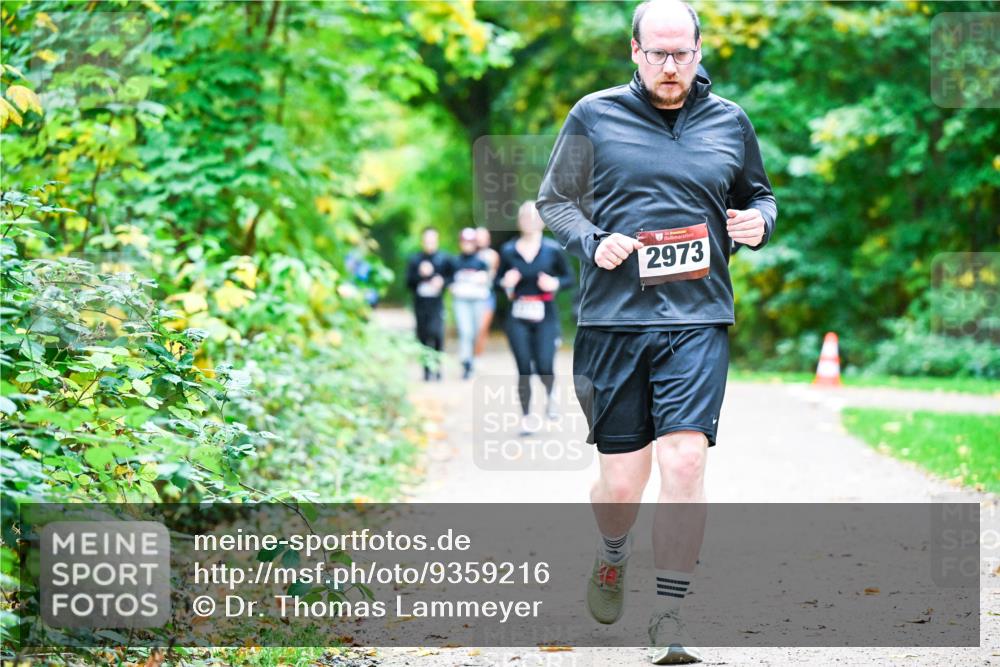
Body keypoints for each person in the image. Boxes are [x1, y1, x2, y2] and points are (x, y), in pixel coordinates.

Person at [535, 1, 777, 663]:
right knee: (621, 486)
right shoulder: (594, 115)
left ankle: (670, 615)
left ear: (699, 52)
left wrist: (759, 223)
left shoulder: (730, 121)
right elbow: (554, 200)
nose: (671, 66)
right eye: (658, 54)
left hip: (698, 318)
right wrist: (593, 240)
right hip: (613, 321)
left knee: (685, 460)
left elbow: (759, 195)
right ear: (635, 52)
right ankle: (613, 550)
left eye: (683, 54)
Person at [497, 201, 574, 436]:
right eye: (524, 217)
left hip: (545, 314)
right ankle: (527, 417)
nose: (529, 221)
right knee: (523, 367)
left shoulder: (552, 249)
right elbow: (496, 281)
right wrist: (504, 282)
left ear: (541, 221)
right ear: (519, 221)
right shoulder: (508, 251)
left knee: (544, 365)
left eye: (533, 217)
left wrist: (555, 283)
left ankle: (551, 395)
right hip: (518, 314)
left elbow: (569, 278)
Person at [405, 227, 453, 381]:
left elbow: (451, 278)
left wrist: (441, 281)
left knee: (437, 333)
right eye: (427, 240)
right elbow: (408, 282)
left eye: (432, 240)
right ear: (422, 241)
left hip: (437, 303)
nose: (429, 243)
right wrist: (421, 275)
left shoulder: (444, 258)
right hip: (420, 304)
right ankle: (426, 370)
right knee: (423, 335)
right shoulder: (415, 259)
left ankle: (437, 367)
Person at [449, 227, 492, 379]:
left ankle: (473, 360)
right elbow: (449, 280)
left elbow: (489, 282)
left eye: (470, 242)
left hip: (477, 300)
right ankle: (466, 362)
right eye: (464, 241)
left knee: (475, 332)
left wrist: (483, 278)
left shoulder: (481, 262)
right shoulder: (455, 261)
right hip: (461, 301)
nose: (467, 245)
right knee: (465, 331)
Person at [474, 227, 501, 358]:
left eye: (482, 237)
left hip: (487, 295)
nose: (480, 240)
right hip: (470, 295)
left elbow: (496, 275)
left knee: (482, 328)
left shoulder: (492, 255)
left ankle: (478, 356)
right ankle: (470, 356)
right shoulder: (468, 254)